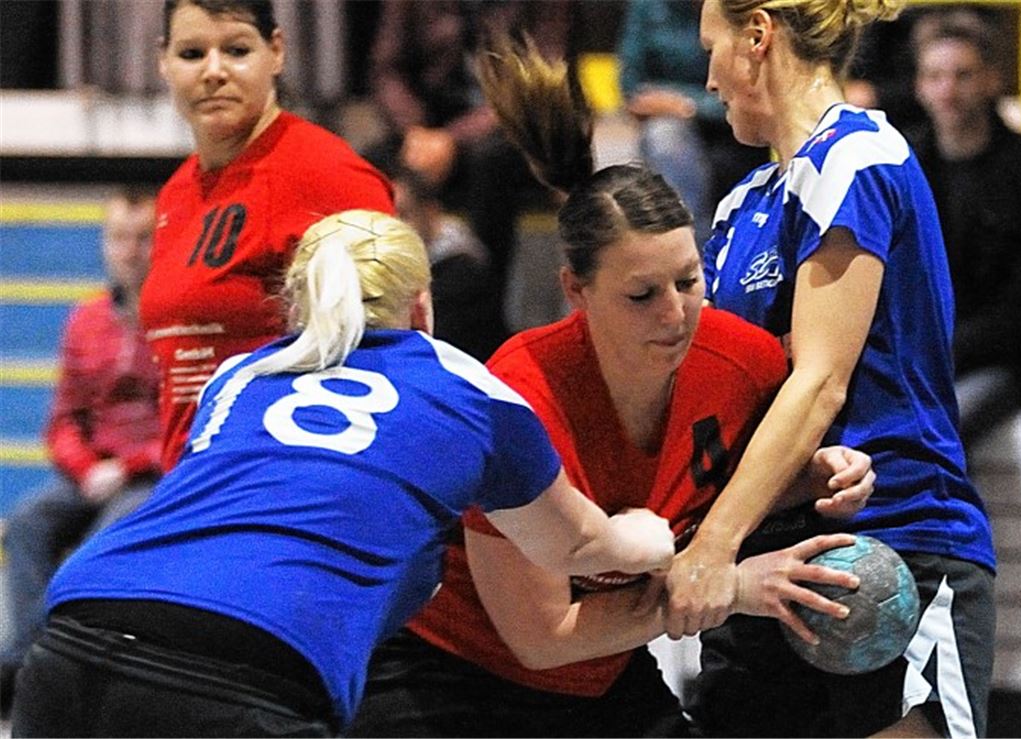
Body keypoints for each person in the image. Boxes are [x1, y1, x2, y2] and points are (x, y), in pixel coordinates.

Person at [346, 40, 876, 739]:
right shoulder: (523, 393)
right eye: (641, 294)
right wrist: (732, 589)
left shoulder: (739, 359)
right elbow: (543, 635)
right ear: (576, 291)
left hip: (603, 673)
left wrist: (818, 476)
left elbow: (714, 484)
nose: (675, 312)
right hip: (454, 674)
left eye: (688, 281)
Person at [9, 210, 677, 738]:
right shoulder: (466, 383)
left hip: (76, 631)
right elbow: (577, 546)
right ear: (422, 305)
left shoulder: (242, 372)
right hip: (251, 665)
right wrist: (650, 537)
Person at [676, 1, 998, 736]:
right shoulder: (741, 206)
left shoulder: (855, 155)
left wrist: (710, 546)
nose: (710, 79)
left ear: (757, 36)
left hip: (894, 540)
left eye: (712, 48)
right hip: (773, 559)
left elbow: (820, 382)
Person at [140, 0, 395, 473]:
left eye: (236, 50)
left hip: (285, 486)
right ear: (163, 61)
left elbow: (398, 348)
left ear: (276, 52)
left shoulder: (328, 174)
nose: (213, 72)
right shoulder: (175, 194)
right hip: (192, 483)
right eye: (192, 54)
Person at [0, 189, 161, 718]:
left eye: (142, 238)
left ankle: (71, 669)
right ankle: (24, 661)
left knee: (103, 539)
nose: (130, 251)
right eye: (118, 237)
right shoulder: (86, 319)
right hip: (95, 472)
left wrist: (129, 467)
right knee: (26, 523)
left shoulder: (181, 321)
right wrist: (89, 468)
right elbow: (64, 419)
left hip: (154, 474)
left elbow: (190, 420)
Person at [911, 8, 1021, 443]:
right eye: (934, 76)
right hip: (932, 356)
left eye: (962, 76)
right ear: (918, 86)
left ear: (992, 79)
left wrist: (938, 353)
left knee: (938, 429)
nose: (947, 90)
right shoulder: (907, 166)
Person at [365, 0, 573, 331]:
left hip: (512, 127)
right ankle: (378, 308)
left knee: (491, 164)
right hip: (427, 122)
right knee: (367, 165)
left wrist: (453, 140)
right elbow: (387, 68)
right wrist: (414, 129)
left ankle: (482, 312)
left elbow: (540, 74)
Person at [617, 0, 764, 243]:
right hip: (678, 128)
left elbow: (756, 85)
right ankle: (689, 252)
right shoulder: (648, 6)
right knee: (665, 137)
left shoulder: (742, 7)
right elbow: (633, 90)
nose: (710, 81)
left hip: (738, 120)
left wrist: (688, 105)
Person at [389, 166, 508, 361]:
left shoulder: (465, 275)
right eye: (386, 217)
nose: (393, 229)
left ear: (430, 212)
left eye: (403, 215)